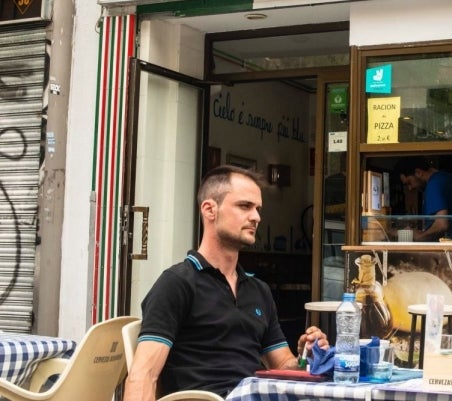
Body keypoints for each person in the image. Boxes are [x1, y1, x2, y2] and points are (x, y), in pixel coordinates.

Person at [123, 165, 329, 400]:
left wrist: (306, 357)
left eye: (258, 209)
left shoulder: (258, 290)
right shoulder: (177, 283)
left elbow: (282, 365)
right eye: (244, 206)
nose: (256, 217)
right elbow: (143, 375)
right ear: (210, 210)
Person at [395, 156, 452, 242]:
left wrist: (420, 236)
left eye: (409, 183)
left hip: (448, 247)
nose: (410, 188)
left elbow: (441, 224)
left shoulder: (434, 184)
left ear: (418, 172)